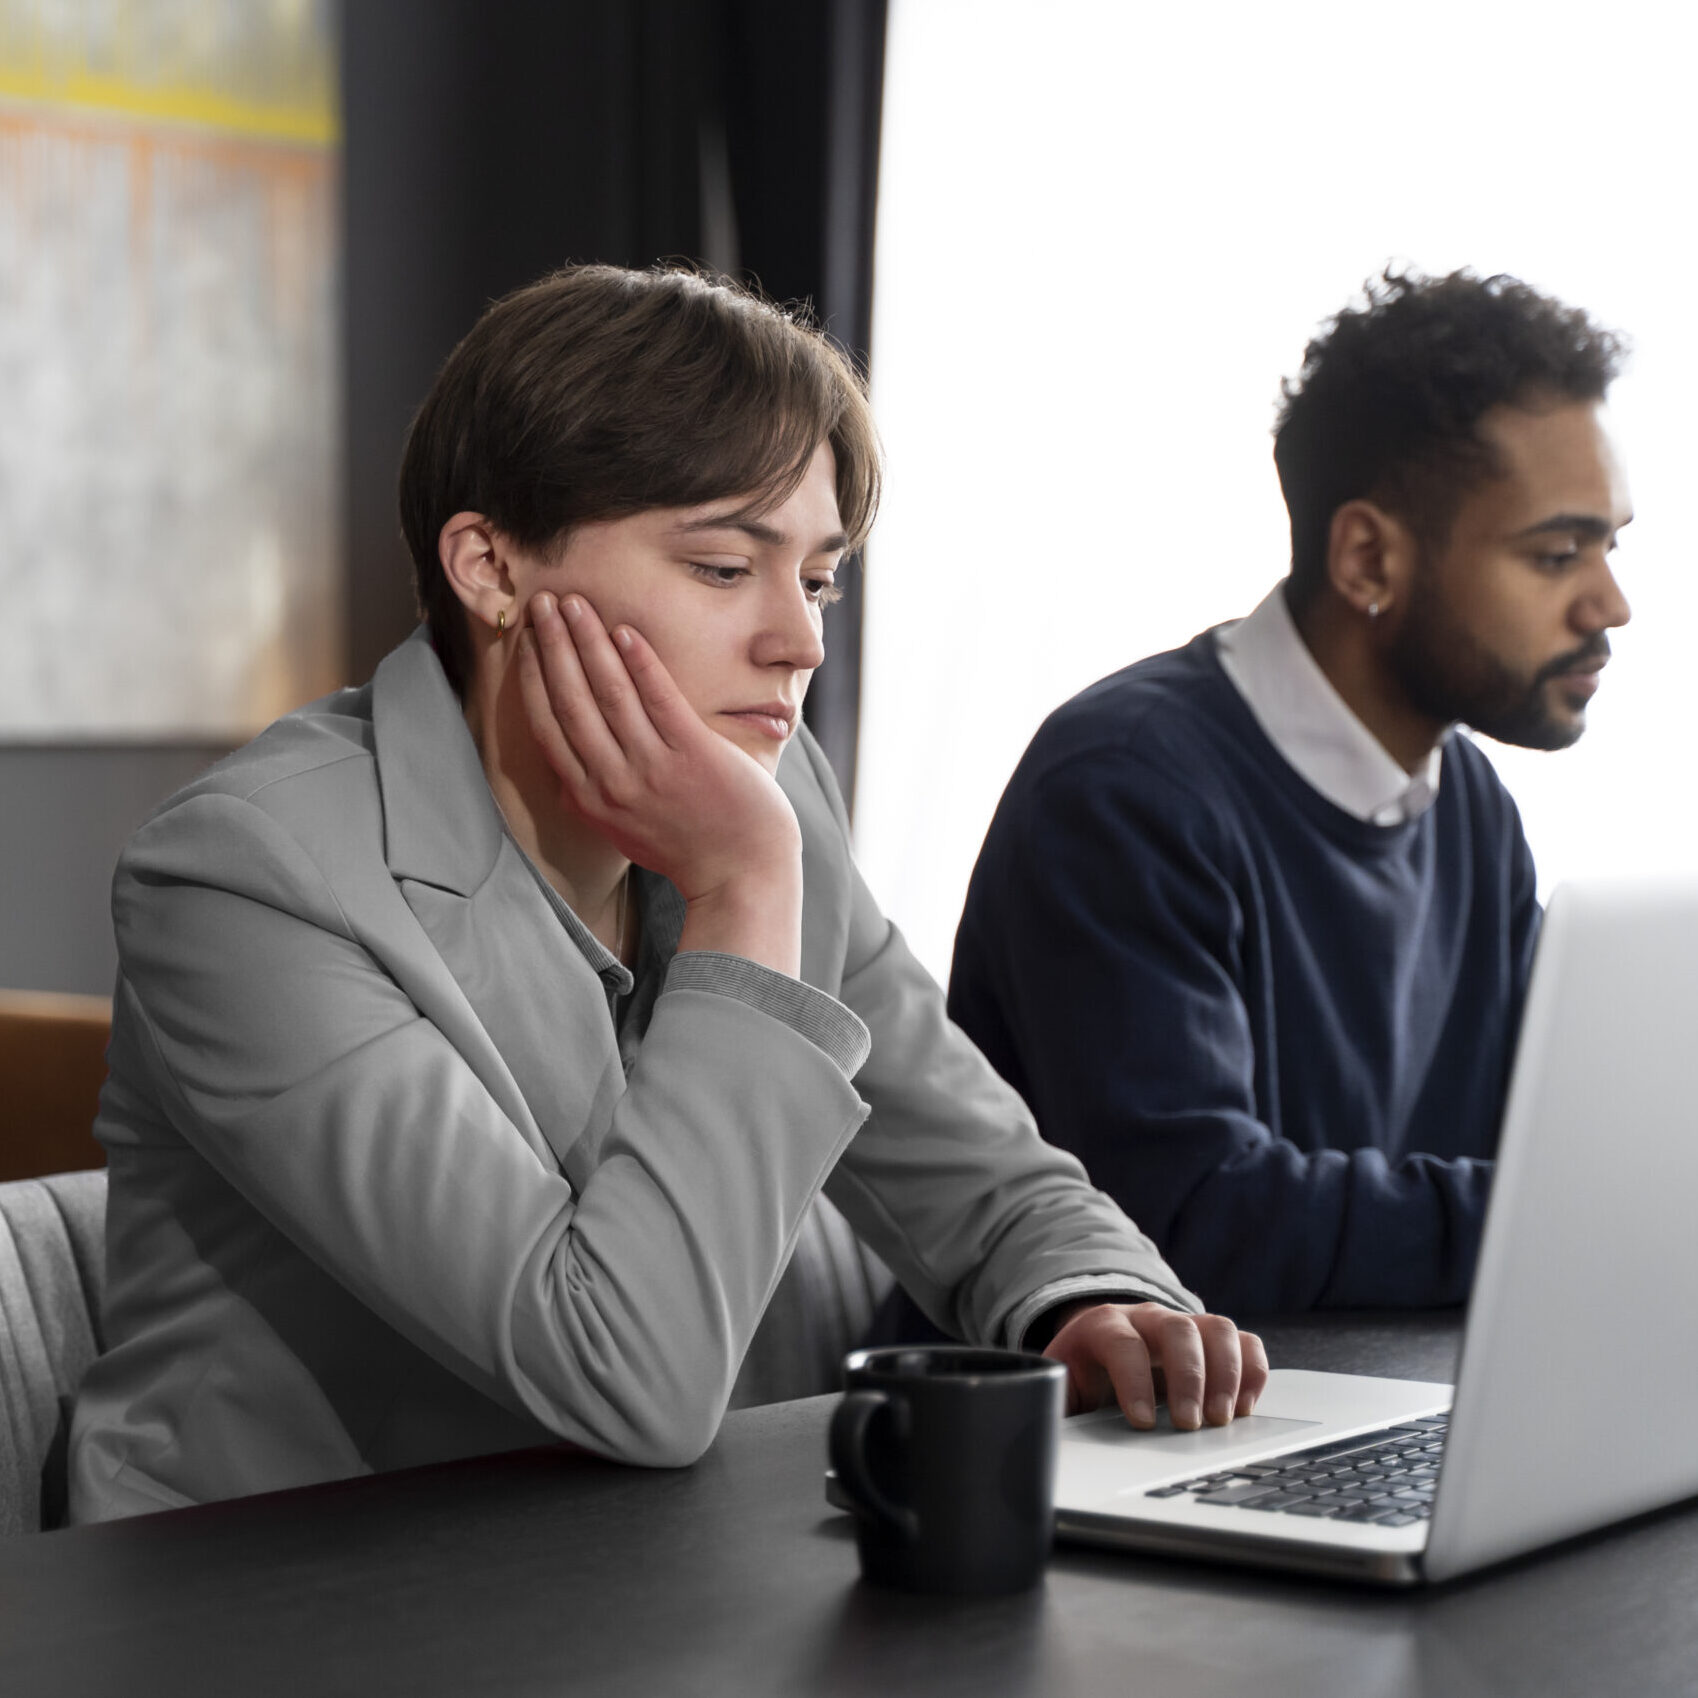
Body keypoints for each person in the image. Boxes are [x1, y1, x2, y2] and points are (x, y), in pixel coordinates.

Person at [68, 264, 1265, 1522]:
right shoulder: (246, 876)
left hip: (617, 1571)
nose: (800, 641)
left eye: (816, 578)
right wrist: (746, 886)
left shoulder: (767, 788)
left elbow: (981, 1169)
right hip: (266, 1605)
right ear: (490, 567)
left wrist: (1092, 1301)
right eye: (720, 567)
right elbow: (622, 1373)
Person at [945, 267, 1632, 1316]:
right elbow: (1190, 1224)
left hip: (1343, 1399)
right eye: (1555, 553)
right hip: (1065, 1442)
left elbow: (1554, 1136)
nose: (1610, 603)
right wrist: (1576, 1218)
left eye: (1610, 546)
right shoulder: (1126, 789)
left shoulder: (1468, 806)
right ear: (1367, 557)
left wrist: (1616, 1191)